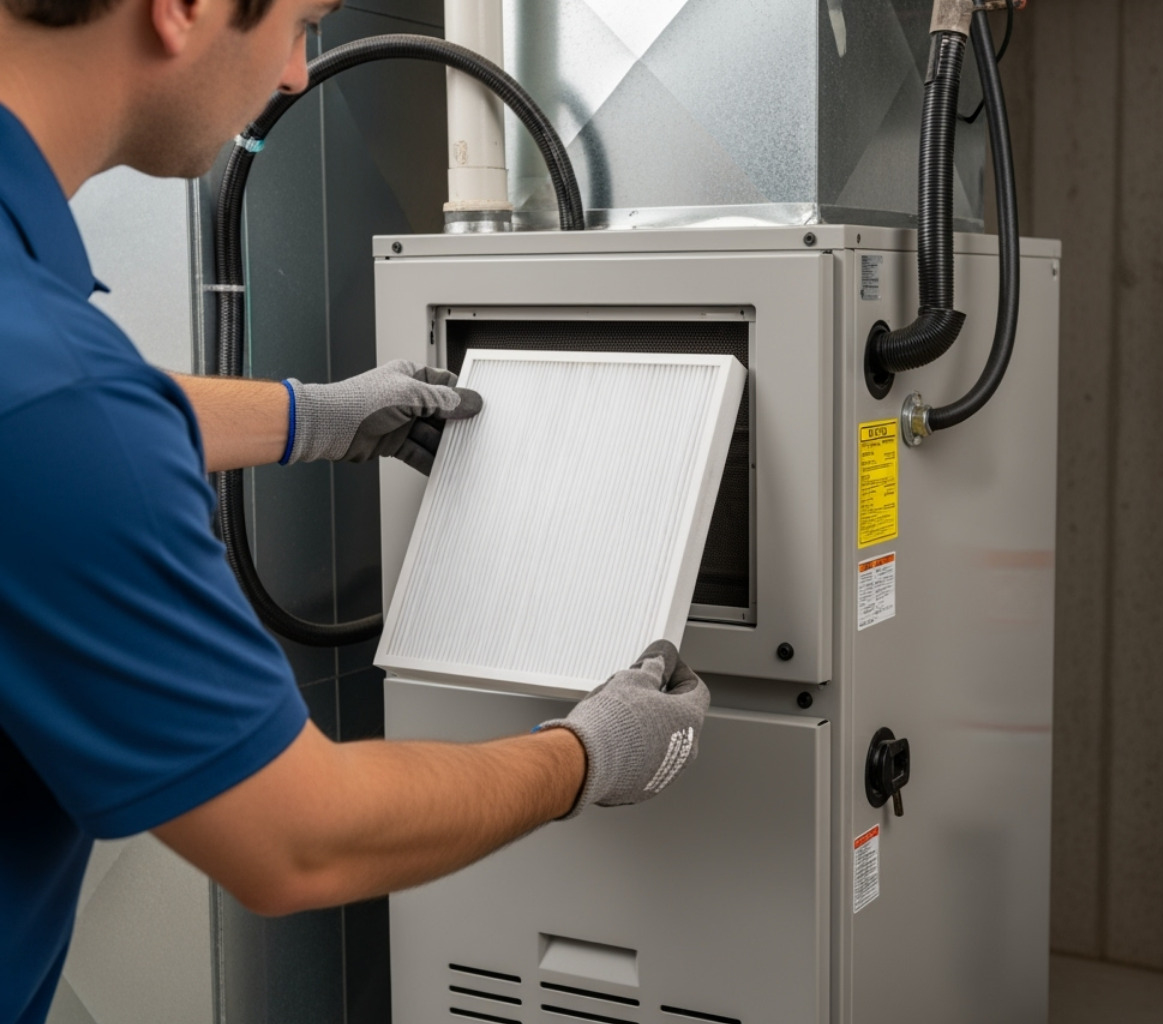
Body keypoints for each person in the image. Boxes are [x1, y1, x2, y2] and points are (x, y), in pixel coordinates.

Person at [0, 0, 711, 1018]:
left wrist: (313, 416)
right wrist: (587, 753)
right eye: (299, 24)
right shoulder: (55, 391)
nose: (297, 73)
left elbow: (68, 425)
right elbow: (299, 839)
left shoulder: (37, 353)